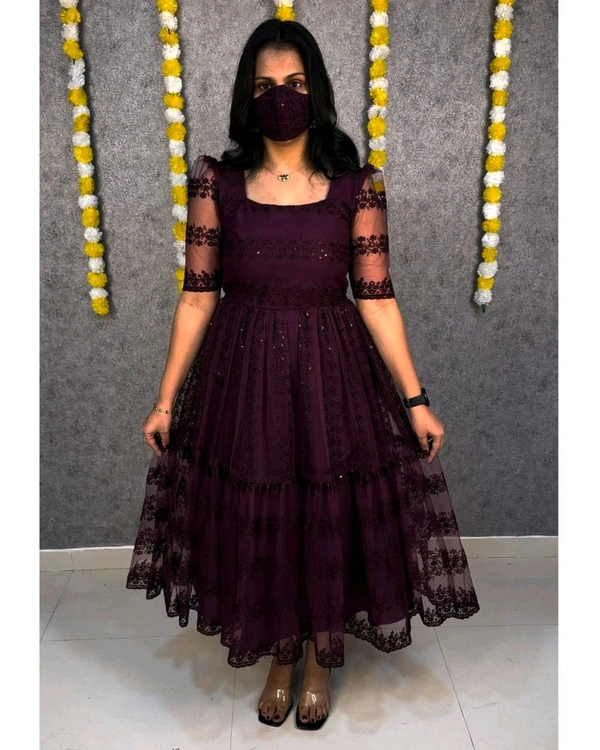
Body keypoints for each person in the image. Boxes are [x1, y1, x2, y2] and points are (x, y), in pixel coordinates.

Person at [126, 17, 480, 731]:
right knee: (264, 510)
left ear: (315, 90)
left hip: (330, 371)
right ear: (245, 96)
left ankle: (320, 656)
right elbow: (197, 296)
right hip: (243, 372)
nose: (281, 98)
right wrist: (165, 401)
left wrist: (415, 400)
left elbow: (376, 299)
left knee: (324, 508)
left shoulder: (356, 185)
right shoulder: (217, 181)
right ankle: (280, 654)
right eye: (265, 86)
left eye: (293, 83)